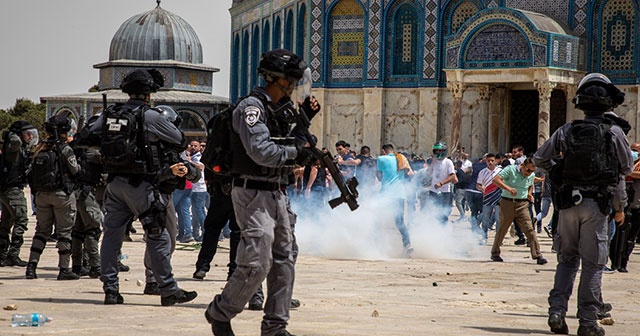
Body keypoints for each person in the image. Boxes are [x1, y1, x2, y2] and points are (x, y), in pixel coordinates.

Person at [205, 48, 320, 336]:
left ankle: (275, 327)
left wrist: (304, 122)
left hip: (277, 192)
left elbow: (293, 140)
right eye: (291, 81)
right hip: (253, 192)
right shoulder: (252, 108)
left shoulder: (280, 110)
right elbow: (261, 152)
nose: (294, 87)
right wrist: (296, 153)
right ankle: (220, 313)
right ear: (277, 79)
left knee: (285, 258)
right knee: (257, 262)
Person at [82, 68, 197, 306]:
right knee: (159, 237)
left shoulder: (110, 113)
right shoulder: (151, 116)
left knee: (112, 238)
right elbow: (180, 140)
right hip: (143, 186)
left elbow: (86, 137)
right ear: (148, 94)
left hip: (114, 184)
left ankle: (111, 290)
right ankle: (167, 289)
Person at [534, 73, 632, 336]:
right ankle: (588, 323)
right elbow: (623, 171)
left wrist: (559, 172)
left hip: (567, 206)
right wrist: (620, 207)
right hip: (596, 207)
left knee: (566, 261)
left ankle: (556, 312)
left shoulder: (566, 130)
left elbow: (540, 159)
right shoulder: (614, 132)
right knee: (593, 264)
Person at [26, 115, 80, 280]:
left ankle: (31, 267)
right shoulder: (64, 149)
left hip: (41, 195)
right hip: (61, 195)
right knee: (64, 233)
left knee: (41, 231)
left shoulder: (39, 148)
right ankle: (64, 269)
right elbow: (75, 170)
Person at [489, 157, 547, 265]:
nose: (529, 173)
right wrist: (508, 189)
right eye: (528, 170)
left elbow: (530, 184)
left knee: (529, 229)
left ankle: (538, 255)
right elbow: (496, 180)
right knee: (502, 229)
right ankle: (495, 253)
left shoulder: (531, 175)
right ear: (523, 166)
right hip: (507, 203)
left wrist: (529, 194)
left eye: (532, 171)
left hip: (522, 204)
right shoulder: (510, 170)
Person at [0, 121, 38, 267]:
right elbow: (15, 140)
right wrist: (13, 134)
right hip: (12, 189)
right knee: (21, 220)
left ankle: (2, 254)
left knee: (6, 222)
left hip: (8, 189)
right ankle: (12, 254)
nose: (30, 137)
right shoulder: (14, 145)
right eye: (27, 134)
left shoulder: (15, 147)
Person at [377, 144, 413, 257]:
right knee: (400, 222)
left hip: (386, 194)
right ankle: (407, 244)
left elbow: (379, 176)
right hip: (400, 194)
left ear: (383, 151)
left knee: (377, 219)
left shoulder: (381, 159)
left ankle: (376, 246)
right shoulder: (401, 158)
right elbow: (409, 174)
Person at [423, 141, 457, 225]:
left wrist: (441, 183)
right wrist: (432, 163)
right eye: (436, 151)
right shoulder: (434, 162)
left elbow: (452, 176)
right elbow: (428, 174)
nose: (438, 153)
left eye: (440, 151)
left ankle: (443, 230)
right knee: (432, 211)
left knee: (443, 213)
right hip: (433, 191)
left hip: (445, 191)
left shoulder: (448, 162)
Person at [189, 140, 208, 242]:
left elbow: (201, 167)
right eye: (191, 145)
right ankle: (195, 232)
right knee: (195, 211)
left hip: (200, 189)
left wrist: (190, 162)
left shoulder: (198, 157)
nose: (193, 147)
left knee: (200, 211)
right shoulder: (192, 156)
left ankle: (205, 231)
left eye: (195, 146)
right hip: (194, 188)